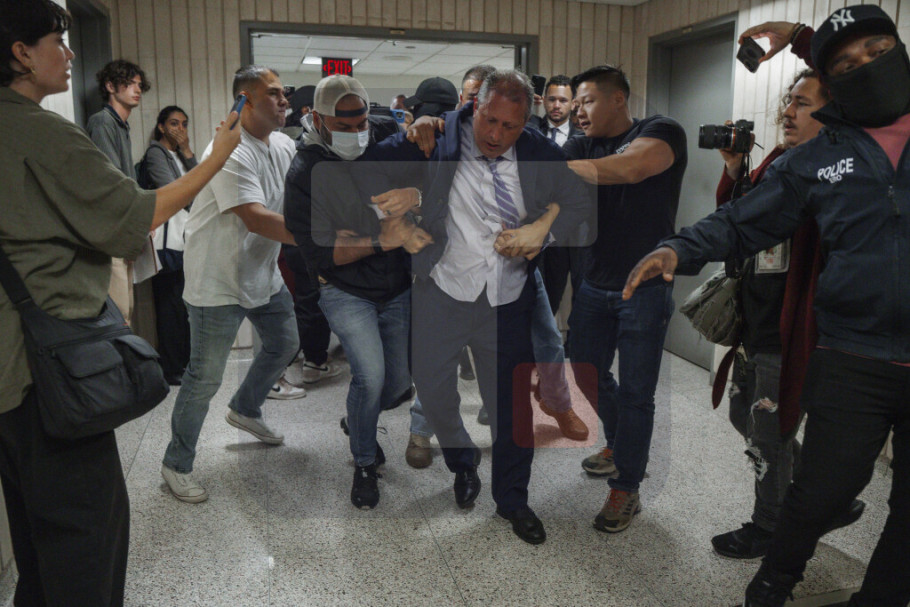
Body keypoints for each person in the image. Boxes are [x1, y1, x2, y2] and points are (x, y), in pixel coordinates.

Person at [624, 6, 910, 605]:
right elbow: (741, 221)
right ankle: (773, 584)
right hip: (854, 356)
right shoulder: (818, 158)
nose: (866, 67)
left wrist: (801, 36)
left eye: (878, 51)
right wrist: (678, 248)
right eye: (846, 64)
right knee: (820, 493)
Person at [0, 1, 240, 603]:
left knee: (35, 540)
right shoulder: (40, 131)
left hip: (10, 376)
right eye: (57, 40)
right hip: (47, 373)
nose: (69, 54)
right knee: (85, 541)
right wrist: (216, 157)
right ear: (21, 53)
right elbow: (133, 216)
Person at [362, 69, 592, 544]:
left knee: (511, 407)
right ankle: (462, 460)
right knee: (434, 393)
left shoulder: (539, 152)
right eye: (489, 120)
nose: (495, 135)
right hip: (442, 291)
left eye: (510, 126)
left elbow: (578, 202)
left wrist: (542, 231)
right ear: (475, 106)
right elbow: (366, 171)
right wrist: (397, 212)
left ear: (526, 122)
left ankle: (513, 500)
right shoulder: (439, 136)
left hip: (506, 298)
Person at [710, 69, 863, 559]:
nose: (788, 113)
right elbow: (739, 219)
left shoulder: (837, 172)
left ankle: (770, 526)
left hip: (791, 327)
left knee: (770, 431)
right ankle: (826, 500)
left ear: (834, 113)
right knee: (746, 417)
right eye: (789, 101)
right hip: (758, 318)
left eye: (802, 103)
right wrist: (736, 169)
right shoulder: (780, 159)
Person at [285, 74, 432, 509]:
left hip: (396, 286)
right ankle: (365, 462)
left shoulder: (385, 133)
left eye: (361, 123)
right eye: (343, 126)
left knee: (397, 384)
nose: (356, 133)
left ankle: (358, 419)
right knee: (369, 377)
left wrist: (417, 191)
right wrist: (382, 239)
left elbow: (435, 168)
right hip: (345, 291)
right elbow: (320, 253)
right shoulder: (305, 171)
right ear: (318, 120)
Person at [160, 65, 303, 504]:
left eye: (284, 92)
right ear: (245, 100)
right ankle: (176, 463)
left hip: (262, 272)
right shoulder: (227, 151)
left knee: (284, 343)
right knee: (204, 378)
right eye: (274, 93)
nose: (284, 100)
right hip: (217, 280)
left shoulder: (283, 143)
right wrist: (324, 237)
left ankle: (245, 408)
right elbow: (256, 218)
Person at [564, 65, 687, 534]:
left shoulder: (660, 130)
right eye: (575, 104)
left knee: (637, 393)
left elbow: (633, 168)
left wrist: (554, 171)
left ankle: (627, 487)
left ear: (618, 99)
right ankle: (618, 444)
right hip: (594, 283)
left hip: (646, 287)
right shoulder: (580, 145)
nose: (578, 111)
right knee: (586, 373)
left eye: (587, 101)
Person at [86, 58, 151, 323]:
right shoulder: (103, 122)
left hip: (123, 228)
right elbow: (112, 181)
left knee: (126, 309)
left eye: (139, 84)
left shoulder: (120, 125)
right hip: (111, 229)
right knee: (119, 313)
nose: (137, 89)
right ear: (110, 86)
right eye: (129, 83)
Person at [140, 105, 197, 386]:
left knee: (183, 305)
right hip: (167, 242)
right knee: (170, 305)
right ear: (161, 127)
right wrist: (194, 193)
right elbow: (177, 194)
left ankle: (184, 363)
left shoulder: (178, 154)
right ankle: (172, 367)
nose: (180, 129)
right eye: (174, 123)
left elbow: (203, 183)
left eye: (184, 124)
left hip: (184, 239)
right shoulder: (155, 153)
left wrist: (187, 152)